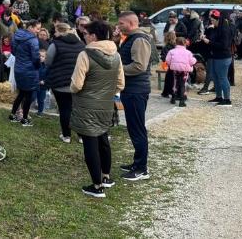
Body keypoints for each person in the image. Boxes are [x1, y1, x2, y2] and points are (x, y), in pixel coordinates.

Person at [69, 20, 125, 198]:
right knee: (103, 139)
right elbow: (121, 83)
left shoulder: (85, 55)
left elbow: (77, 84)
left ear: (93, 36)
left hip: (87, 105)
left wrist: (73, 89)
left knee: (90, 144)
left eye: (85, 34)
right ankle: (106, 177)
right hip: (105, 104)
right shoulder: (116, 55)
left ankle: (97, 185)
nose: (84, 37)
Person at [116, 11, 152, 181]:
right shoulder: (130, 38)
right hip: (131, 90)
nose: (118, 26)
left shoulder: (139, 39)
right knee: (133, 127)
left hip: (136, 91)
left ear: (131, 23)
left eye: (121, 23)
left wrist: (118, 69)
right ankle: (137, 163)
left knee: (137, 129)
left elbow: (139, 66)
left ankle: (141, 168)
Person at [45, 22, 85, 143]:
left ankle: (66, 135)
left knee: (64, 109)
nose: (54, 33)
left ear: (60, 31)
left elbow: (48, 62)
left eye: (55, 31)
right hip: (77, 82)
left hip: (60, 82)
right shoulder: (81, 44)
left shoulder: (55, 45)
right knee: (77, 109)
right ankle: (81, 135)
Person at [8, 20, 41, 127]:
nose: (38, 31)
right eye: (37, 28)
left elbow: (13, 51)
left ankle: (13, 115)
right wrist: (38, 66)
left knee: (21, 93)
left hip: (18, 68)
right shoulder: (33, 40)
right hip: (29, 70)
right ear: (31, 27)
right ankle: (25, 119)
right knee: (29, 95)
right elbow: (36, 58)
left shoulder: (17, 35)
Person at [202, 10, 233, 106]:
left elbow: (223, 45)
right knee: (216, 78)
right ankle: (219, 97)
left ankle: (227, 99)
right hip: (215, 56)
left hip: (223, 57)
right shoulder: (215, 28)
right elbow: (210, 37)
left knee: (223, 78)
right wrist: (207, 31)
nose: (211, 22)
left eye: (212, 20)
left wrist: (209, 42)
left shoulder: (224, 29)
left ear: (218, 19)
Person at [165, 36, 196, 107]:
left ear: (175, 43)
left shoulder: (171, 51)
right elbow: (192, 61)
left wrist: (171, 64)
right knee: (183, 84)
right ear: (185, 43)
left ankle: (173, 98)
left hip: (175, 69)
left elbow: (167, 60)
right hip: (184, 70)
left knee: (175, 83)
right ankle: (182, 101)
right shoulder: (188, 52)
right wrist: (194, 60)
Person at [159, 31, 177, 98]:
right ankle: (170, 92)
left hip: (169, 65)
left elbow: (164, 58)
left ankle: (167, 92)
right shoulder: (176, 46)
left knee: (169, 78)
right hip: (177, 66)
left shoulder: (166, 47)